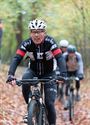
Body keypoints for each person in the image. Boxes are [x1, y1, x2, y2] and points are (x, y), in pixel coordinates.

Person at [6, 19, 67, 125]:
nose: (37, 35)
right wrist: (11, 74)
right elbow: (17, 58)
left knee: (49, 103)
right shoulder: (26, 43)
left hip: (49, 73)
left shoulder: (50, 42)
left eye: (39, 31)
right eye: (34, 32)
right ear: (30, 33)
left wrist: (63, 74)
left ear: (44, 32)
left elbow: (60, 57)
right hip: (33, 71)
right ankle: (30, 108)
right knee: (25, 80)